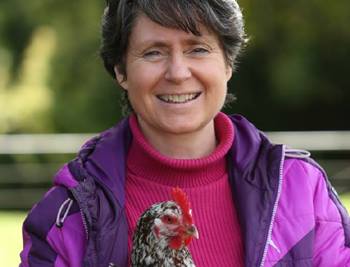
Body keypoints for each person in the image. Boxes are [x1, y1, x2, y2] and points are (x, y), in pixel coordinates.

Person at [19, 0, 350, 266]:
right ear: (121, 70)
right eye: (153, 52)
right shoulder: (69, 215)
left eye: (198, 49)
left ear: (227, 64)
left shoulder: (301, 191)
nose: (178, 72)